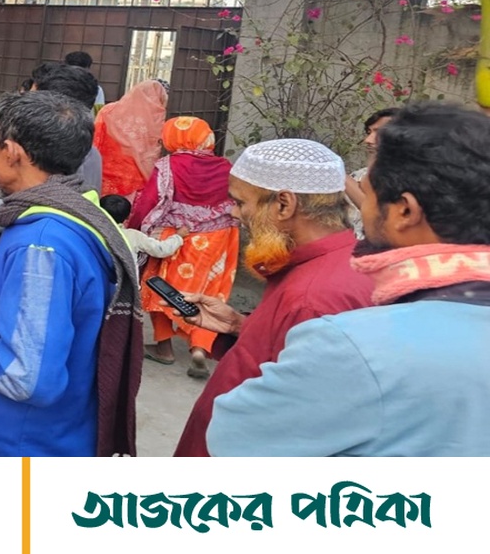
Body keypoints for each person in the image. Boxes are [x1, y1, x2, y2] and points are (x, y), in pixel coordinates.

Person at [208, 103, 490, 456]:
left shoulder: (348, 340)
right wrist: (243, 327)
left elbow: (234, 438)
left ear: (404, 211)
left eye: (367, 195)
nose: (361, 208)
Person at [0, 91, 144, 457]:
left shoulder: (41, 244)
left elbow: (26, 378)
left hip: (20, 444)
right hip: (61, 431)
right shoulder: (81, 213)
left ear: (12, 152)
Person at [170, 138, 373, 457]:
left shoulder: (314, 297)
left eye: (241, 202)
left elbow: (296, 427)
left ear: (284, 205)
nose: (235, 213)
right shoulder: (327, 264)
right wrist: (240, 326)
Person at [128, 117, 239, 378]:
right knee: (209, 292)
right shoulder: (226, 167)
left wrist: (134, 227)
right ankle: (199, 348)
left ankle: (164, 348)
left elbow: (148, 201)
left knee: (160, 286)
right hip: (218, 239)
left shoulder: (168, 166)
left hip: (177, 235)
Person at [0, 65, 103, 194]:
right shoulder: (78, 145)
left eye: (30, 98)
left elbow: (28, 188)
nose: (23, 103)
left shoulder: (67, 156)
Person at [94, 79, 168, 198]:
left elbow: (96, 140)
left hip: (107, 170)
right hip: (139, 176)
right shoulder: (160, 118)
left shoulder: (108, 111)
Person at [344, 108, 399, 239]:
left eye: (379, 133)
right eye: (369, 132)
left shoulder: (415, 178)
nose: (368, 140)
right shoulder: (358, 175)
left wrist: (339, 174)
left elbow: (379, 217)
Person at [100, 194, 185, 268]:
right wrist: (178, 236)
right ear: (128, 217)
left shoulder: (93, 230)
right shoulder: (134, 236)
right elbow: (161, 250)